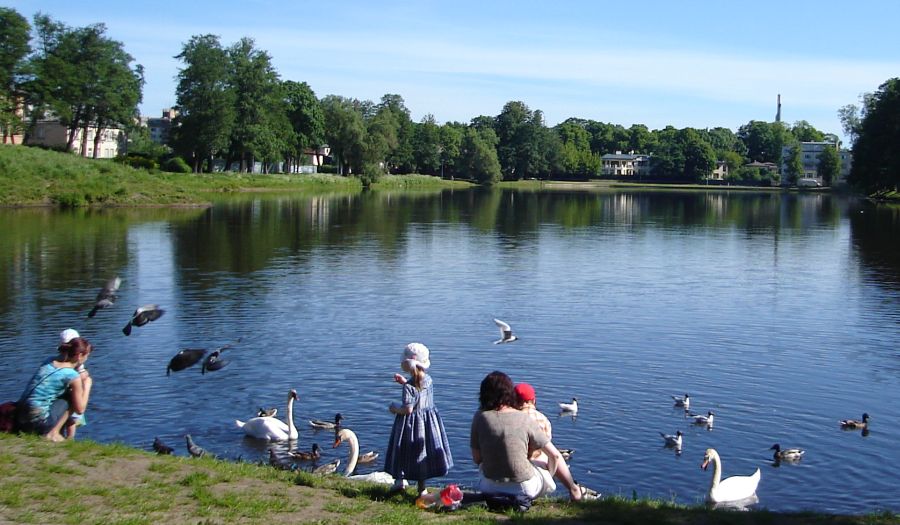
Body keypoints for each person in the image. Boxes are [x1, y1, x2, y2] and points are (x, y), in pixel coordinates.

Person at [470, 371, 583, 502]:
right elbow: (555, 456)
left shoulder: (479, 417)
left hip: (488, 487)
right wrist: (548, 476)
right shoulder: (525, 418)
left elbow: (477, 459)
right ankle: (574, 490)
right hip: (524, 488)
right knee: (545, 455)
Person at [384, 343, 453, 496]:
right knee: (422, 453)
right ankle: (422, 489)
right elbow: (419, 393)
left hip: (409, 426)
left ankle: (399, 482)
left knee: (402, 450)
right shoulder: (428, 380)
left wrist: (394, 408)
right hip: (427, 423)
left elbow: (408, 409)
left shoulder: (409, 387)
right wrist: (404, 382)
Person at [16, 329, 94, 441]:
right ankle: (53, 433)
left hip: (19, 419)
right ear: (79, 355)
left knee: (61, 394)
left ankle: (58, 432)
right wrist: (87, 386)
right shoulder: (72, 375)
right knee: (70, 396)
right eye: (87, 355)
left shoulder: (49, 361)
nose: (87, 358)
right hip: (38, 424)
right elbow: (80, 409)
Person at [514, 382, 586, 500]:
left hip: (505, 473)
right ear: (533, 400)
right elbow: (552, 454)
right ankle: (574, 489)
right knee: (552, 454)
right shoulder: (542, 419)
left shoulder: (506, 419)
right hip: (532, 471)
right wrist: (549, 475)